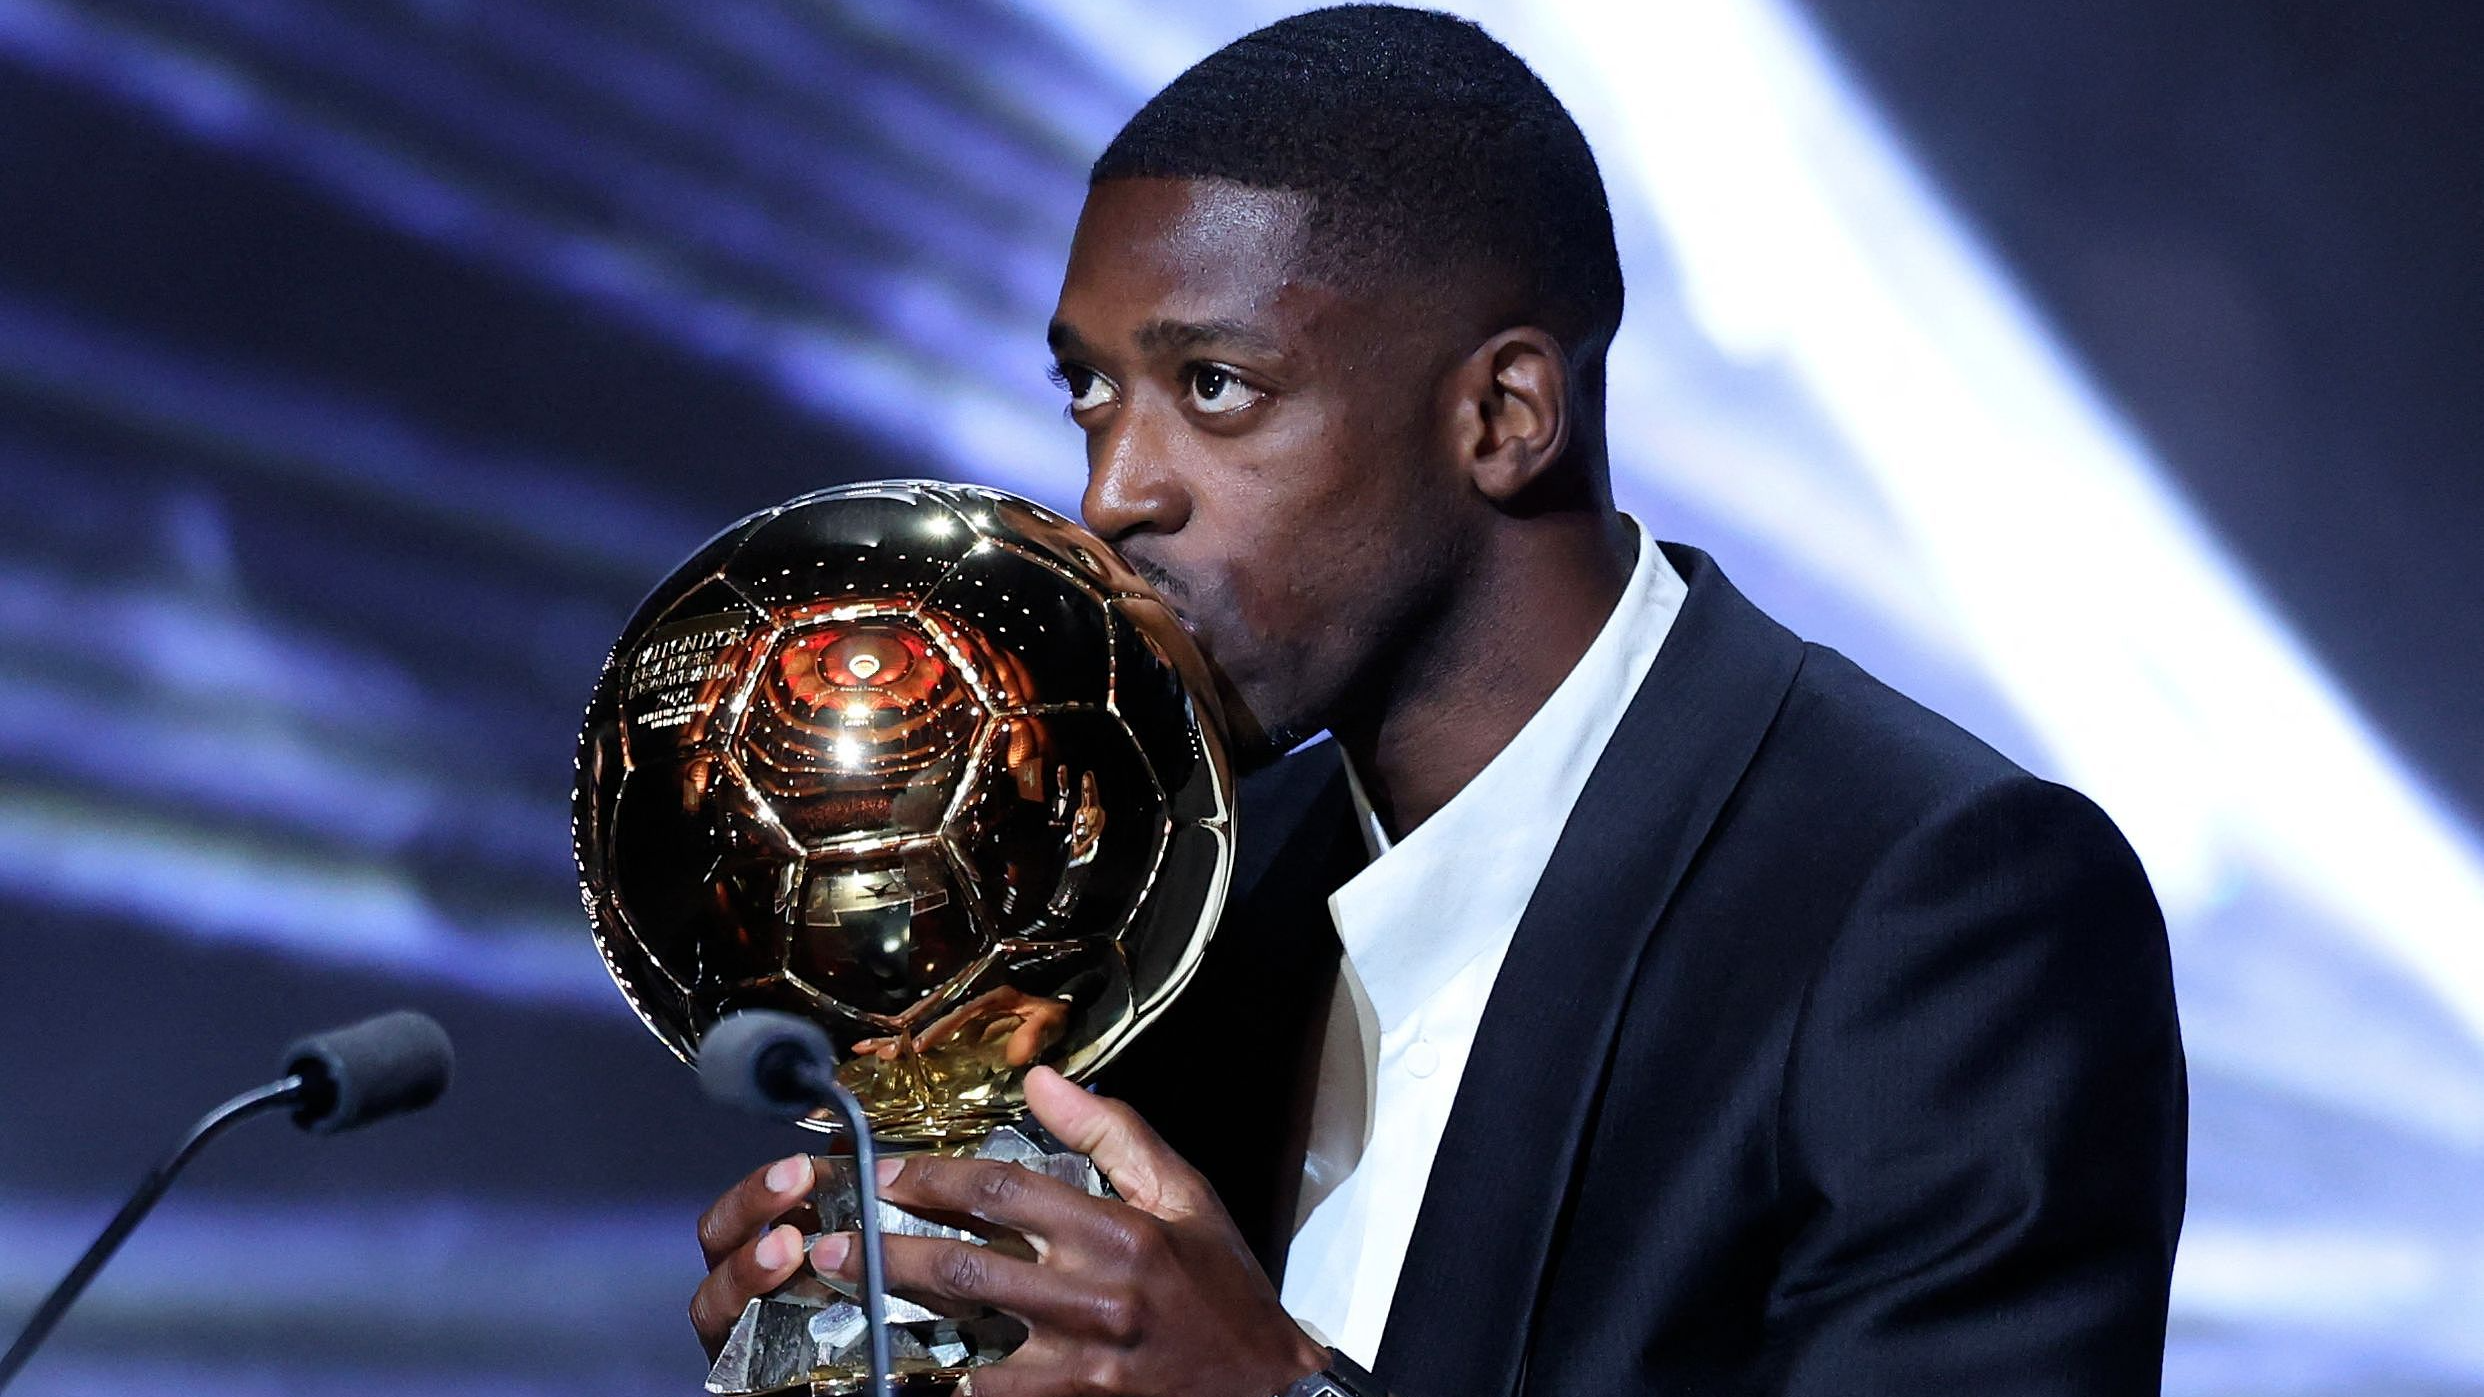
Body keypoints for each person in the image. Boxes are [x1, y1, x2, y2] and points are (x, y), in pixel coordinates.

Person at [689, 6, 2187, 1394]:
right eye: (1090, 390)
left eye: (1213, 386)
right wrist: (878, 1322)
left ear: (1505, 417)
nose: (1112, 493)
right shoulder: (1175, 887)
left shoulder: (1941, 909)